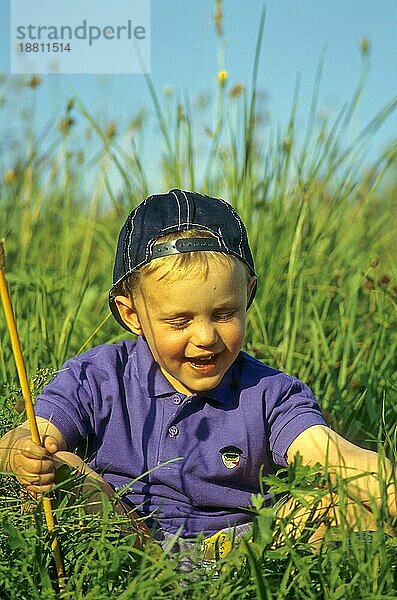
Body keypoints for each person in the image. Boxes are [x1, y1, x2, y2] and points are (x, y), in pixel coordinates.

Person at [0, 189, 395, 560]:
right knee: (63, 467)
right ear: (132, 314)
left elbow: (334, 456)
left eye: (225, 314)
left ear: (248, 296)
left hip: (243, 551)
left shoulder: (270, 392)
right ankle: (139, 573)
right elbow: (27, 436)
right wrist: (22, 452)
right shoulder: (99, 376)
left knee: (339, 501)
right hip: (127, 539)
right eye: (179, 320)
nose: (206, 337)